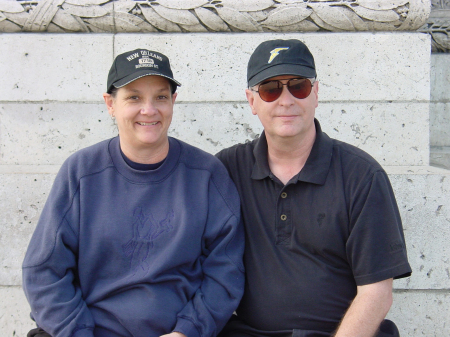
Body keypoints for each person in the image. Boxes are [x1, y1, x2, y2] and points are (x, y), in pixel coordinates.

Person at [22, 48, 245, 337]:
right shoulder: (80, 172)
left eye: (161, 97)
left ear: (173, 102)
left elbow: (226, 271)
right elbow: (44, 272)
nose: (149, 109)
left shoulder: (206, 174)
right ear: (110, 104)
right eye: (134, 97)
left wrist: (188, 331)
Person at [216, 39, 412, 337]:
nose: (286, 100)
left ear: (316, 93)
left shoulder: (362, 175)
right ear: (251, 100)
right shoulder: (227, 170)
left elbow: (377, 293)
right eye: (270, 89)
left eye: (299, 86)